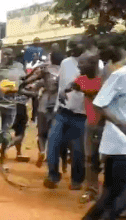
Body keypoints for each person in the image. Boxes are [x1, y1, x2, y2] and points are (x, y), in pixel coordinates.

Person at [70, 60, 126, 220]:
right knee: (117, 189)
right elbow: (99, 104)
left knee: (112, 190)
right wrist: (121, 125)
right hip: (118, 142)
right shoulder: (120, 75)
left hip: (119, 143)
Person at [44, 36, 87, 190]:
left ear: (83, 45)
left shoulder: (95, 63)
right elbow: (61, 87)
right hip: (62, 111)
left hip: (81, 114)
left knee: (77, 150)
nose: (72, 48)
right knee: (53, 142)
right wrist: (55, 107)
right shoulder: (65, 62)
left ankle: (77, 180)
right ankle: (53, 175)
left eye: (75, 45)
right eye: (70, 45)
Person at [67, 53, 103, 203]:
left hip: (107, 125)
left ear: (92, 64)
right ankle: (91, 190)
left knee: (109, 161)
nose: (78, 66)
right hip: (91, 124)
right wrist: (65, 90)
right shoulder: (82, 79)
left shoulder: (104, 79)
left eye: (82, 63)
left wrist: (87, 92)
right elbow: (72, 85)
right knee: (90, 159)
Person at [0, 47, 24, 167]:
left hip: (11, 105)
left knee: (6, 133)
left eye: (8, 55)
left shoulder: (19, 68)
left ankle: (3, 159)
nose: (6, 57)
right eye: (4, 55)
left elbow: (24, 80)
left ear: (13, 56)